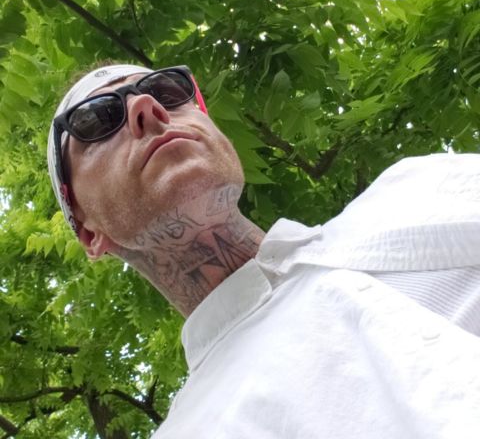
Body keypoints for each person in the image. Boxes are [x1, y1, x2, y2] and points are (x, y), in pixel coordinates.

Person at [48, 63, 480, 438]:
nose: (146, 106)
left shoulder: (419, 186)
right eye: (96, 119)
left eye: (168, 90)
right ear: (88, 232)